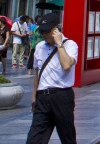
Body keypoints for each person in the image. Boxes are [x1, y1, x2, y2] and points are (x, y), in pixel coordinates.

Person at [27, 15, 77, 144]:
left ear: (56, 29)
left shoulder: (70, 45)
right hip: (42, 97)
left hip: (62, 96)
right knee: (34, 139)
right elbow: (37, 73)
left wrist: (59, 44)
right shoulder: (39, 47)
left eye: (47, 31)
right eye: (42, 31)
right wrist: (34, 97)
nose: (44, 34)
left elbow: (66, 65)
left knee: (67, 137)